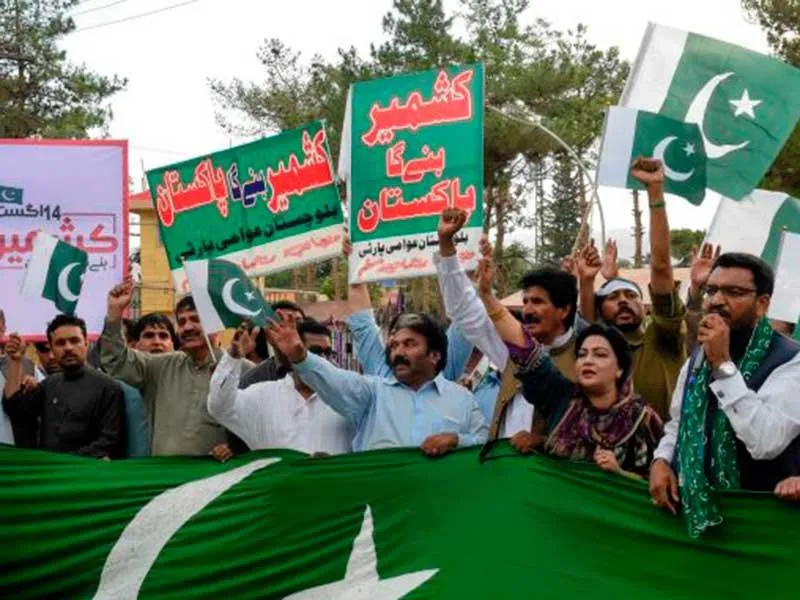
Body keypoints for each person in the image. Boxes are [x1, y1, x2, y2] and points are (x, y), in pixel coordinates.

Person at [649, 253, 800, 536]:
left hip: (759, 524)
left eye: (734, 292)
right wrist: (662, 460)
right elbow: (677, 423)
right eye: (712, 290)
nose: (717, 301)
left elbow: (765, 441)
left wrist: (722, 366)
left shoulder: (790, 361)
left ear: (762, 304)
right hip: (692, 515)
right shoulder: (697, 358)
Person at [435, 208, 579, 454]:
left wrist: (543, 442)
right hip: (504, 468)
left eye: (538, 302)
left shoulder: (586, 353)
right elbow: (464, 310)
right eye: (526, 302)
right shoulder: (513, 350)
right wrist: (446, 244)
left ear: (564, 310)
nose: (528, 311)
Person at [265, 312, 487, 455]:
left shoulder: (463, 400)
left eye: (410, 344)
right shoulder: (373, 393)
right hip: (381, 510)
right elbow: (333, 379)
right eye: (395, 345)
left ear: (435, 356)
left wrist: (456, 440)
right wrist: (301, 357)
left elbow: (485, 444)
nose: (398, 352)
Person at [493, 310, 663, 479]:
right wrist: (540, 443)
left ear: (620, 369)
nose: (588, 361)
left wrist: (620, 473)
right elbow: (527, 354)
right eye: (582, 355)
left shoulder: (642, 419)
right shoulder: (564, 401)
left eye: (600, 355)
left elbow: (659, 483)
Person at [580, 158, 686, 420]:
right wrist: (585, 281)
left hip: (663, 447)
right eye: (613, 297)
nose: (623, 301)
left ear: (644, 305)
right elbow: (587, 321)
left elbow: (661, 268)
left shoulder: (663, 339)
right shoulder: (592, 352)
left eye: (630, 295)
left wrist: (655, 192)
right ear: (600, 309)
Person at [99, 277, 229, 456]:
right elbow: (116, 361)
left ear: (216, 326)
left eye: (195, 319)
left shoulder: (240, 371)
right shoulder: (162, 366)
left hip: (219, 472)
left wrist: (234, 447)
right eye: (181, 322)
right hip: (165, 471)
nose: (188, 327)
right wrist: (114, 313)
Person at [208, 319, 354, 455]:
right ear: (291, 352)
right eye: (315, 352)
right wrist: (233, 358)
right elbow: (220, 407)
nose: (323, 360)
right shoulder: (262, 396)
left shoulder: (346, 398)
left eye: (328, 353)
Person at [2, 315, 125, 459]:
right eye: (60, 343)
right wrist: (16, 361)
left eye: (74, 341)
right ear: (52, 348)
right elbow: (14, 407)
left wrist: (66, 462)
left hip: (86, 469)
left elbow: (110, 441)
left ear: (86, 343)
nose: (68, 348)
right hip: (50, 468)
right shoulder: (49, 384)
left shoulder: (109, 388)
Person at [238, 300, 307, 389]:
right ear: (267, 334)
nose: (289, 330)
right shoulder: (252, 380)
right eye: (280, 324)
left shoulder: (321, 369)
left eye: (298, 323)